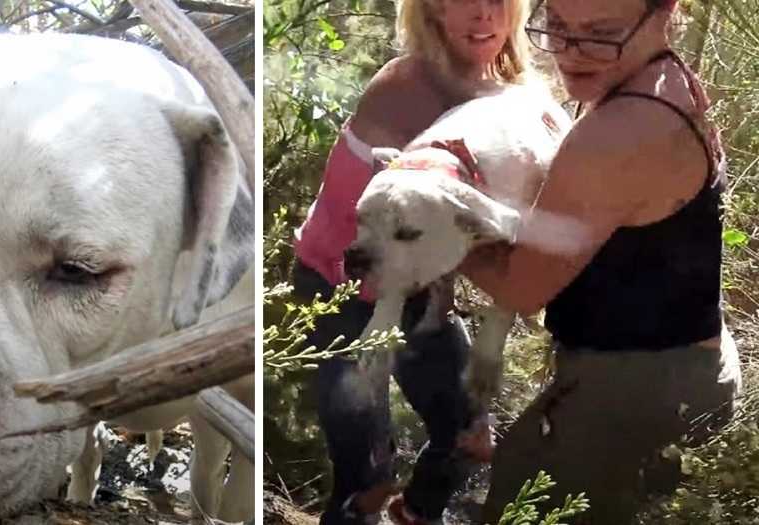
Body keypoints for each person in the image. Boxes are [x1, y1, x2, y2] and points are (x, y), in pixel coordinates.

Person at [456, 0, 743, 523]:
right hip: (682, 366)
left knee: (521, 509)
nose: (570, 52)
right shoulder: (659, 76)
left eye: (601, 33)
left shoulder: (623, 131)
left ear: (665, 13)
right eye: (558, 26)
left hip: (641, 389)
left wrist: (441, 225)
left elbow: (521, 290)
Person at [291, 1, 536, 523]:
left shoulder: (502, 91)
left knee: (469, 438)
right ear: (432, 11)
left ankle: (417, 512)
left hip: (418, 295)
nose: (482, 17)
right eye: (463, 2)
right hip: (340, 294)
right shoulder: (407, 87)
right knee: (365, 482)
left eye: (497, 2)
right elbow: (386, 232)